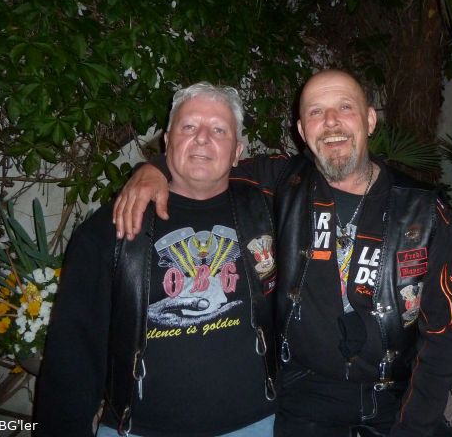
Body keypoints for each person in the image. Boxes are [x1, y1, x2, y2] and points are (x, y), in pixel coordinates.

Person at [113, 69, 452, 437]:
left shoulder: (423, 210)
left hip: (397, 399)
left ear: (369, 120)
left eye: (345, 107)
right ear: (301, 130)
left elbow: (447, 337)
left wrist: (413, 428)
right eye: (316, 111)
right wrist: (153, 169)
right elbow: (206, 163)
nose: (331, 121)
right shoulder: (283, 181)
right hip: (306, 401)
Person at [35, 82, 278, 437]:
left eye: (218, 130)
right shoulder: (110, 228)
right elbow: (72, 352)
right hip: (137, 430)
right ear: (167, 141)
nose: (202, 138)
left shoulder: (266, 212)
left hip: (256, 424)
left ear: (237, 151)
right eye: (189, 126)